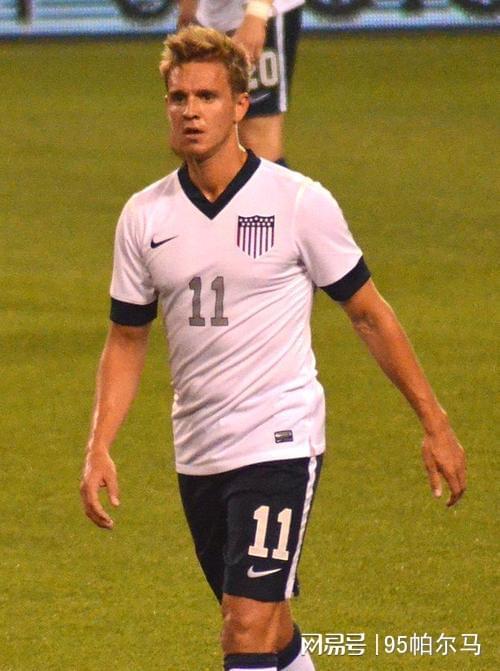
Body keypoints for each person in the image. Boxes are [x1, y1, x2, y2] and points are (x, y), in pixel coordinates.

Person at [80, 26, 467, 671]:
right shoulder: (144, 217)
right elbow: (126, 337)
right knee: (269, 626)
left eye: (207, 96)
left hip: (279, 439)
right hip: (199, 448)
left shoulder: (298, 203)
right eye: (178, 98)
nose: (191, 111)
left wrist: (435, 422)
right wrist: (99, 444)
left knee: (245, 626)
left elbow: (369, 315)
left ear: (240, 105)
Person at [177, 0, 303, 165]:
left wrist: (257, 14)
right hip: (212, 14)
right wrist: (188, 8)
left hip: (256, 14)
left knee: (256, 142)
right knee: (218, 142)